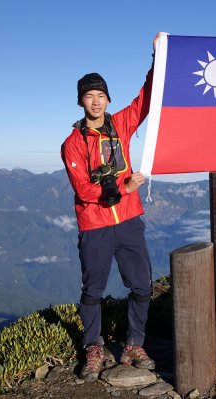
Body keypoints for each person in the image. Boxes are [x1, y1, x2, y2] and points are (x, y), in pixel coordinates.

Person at [61, 35, 158, 381]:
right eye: (90, 96)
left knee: (143, 286)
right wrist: (123, 187)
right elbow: (84, 189)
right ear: (81, 101)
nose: (96, 101)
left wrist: (156, 56)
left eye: (101, 95)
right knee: (93, 291)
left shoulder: (121, 124)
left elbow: (147, 98)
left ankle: (134, 344)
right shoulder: (72, 144)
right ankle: (93, 348)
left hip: (129, 220)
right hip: (96, 224)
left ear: (107, 99)